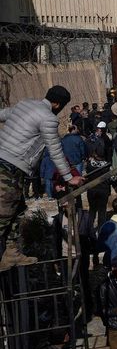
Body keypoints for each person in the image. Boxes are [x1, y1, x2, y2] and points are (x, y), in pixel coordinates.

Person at [0, 85, 84, 269]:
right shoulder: (48, 119)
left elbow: (3, 114)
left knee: (19, 209)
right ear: (57, 104)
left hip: (7, 162)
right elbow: (55, 150)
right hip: (9, 168)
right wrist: (69, 177)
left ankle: (11, 253)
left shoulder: (25, 104)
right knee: (4, 214)